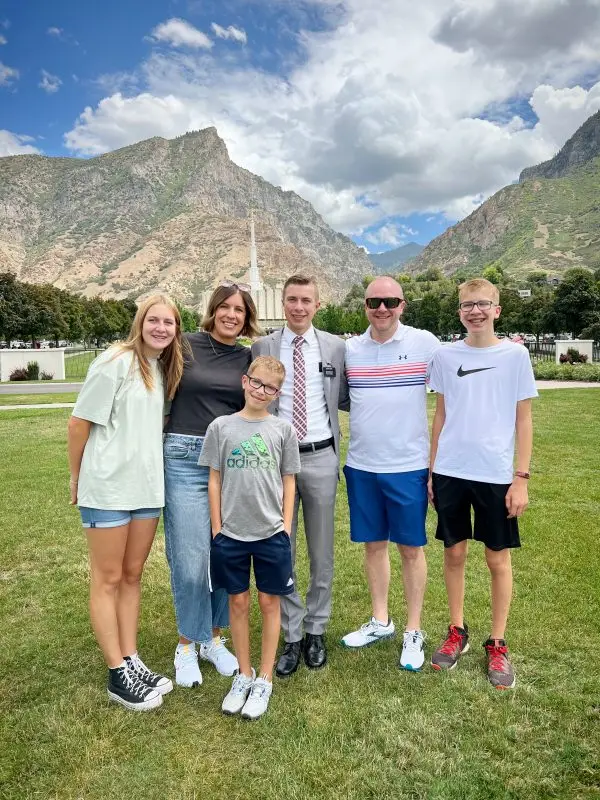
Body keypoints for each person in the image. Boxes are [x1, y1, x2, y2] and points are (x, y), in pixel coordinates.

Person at [67, 294, 184, 711]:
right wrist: (77, 477)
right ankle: (117, 673)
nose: (160, 328)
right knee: (108, 578)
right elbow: (79, 423)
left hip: (146, 490)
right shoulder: (114, 361)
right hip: (109, 488)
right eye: (154, 320)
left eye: (168, 323)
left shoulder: (160, 367)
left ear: (176, 330)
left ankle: (132, 658)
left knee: (132, 575)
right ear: (140, 322)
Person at [428, 278, 537, 689]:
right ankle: (457, 631)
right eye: (467, 305)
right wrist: (433, 469)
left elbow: (523, 418)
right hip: (452, 471)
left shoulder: (515, 355)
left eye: (483, 304)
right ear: (459, 311)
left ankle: (498, 643)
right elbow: (441, 413)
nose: (475, 311)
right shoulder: (444, 355)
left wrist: (521, 477)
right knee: (453, 554)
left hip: (495, 474)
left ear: (497, 310)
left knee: (497, 560)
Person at [163, 281, 261, 687]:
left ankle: (214, 639)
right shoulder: (184, 345)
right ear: (213, 310)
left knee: (224, 553)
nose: (231, 315)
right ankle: (187, 643)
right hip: (184, 458)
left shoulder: (248, 358)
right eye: (225, 308)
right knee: (189, 559)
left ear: (247, 317)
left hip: (228, 460)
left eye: (239, 310)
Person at [342, 276, 440, 670]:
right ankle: (381, 619)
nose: (381, 308)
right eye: (374, 301)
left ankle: (413, 630)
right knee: (373, 545)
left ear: (402, 305)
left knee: (411, 549)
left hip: (408, 466)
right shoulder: (350, 349)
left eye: (390, 301)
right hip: (362, 465)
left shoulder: (425, 344)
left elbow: (454, 394)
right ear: (365, 305)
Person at [251, 275, 347, 676]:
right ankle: (290, 635)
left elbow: (346, 396)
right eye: (292, 299)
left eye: (306, 300)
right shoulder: (262, 347)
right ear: (283, 302)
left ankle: (316, 629)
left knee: (322, 550)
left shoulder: (336, 348)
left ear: (317, 304)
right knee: (281, 549)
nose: (299, 307)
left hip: (321, 457)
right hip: (277, 461)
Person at [199, 356, 301, 719]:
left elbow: (289, 480)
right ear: (245, 381)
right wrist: (217, 527)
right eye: (256, 383)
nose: (261, 391)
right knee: (238, 603)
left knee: (270, 603)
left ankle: (265, 678)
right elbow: (214, 479)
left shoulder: (282, 430)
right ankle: (244, 674)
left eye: (270, 388)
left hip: (271, 532)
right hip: (231, 533)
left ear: (277, 394)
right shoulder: (221, 428)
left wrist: (286, 527)